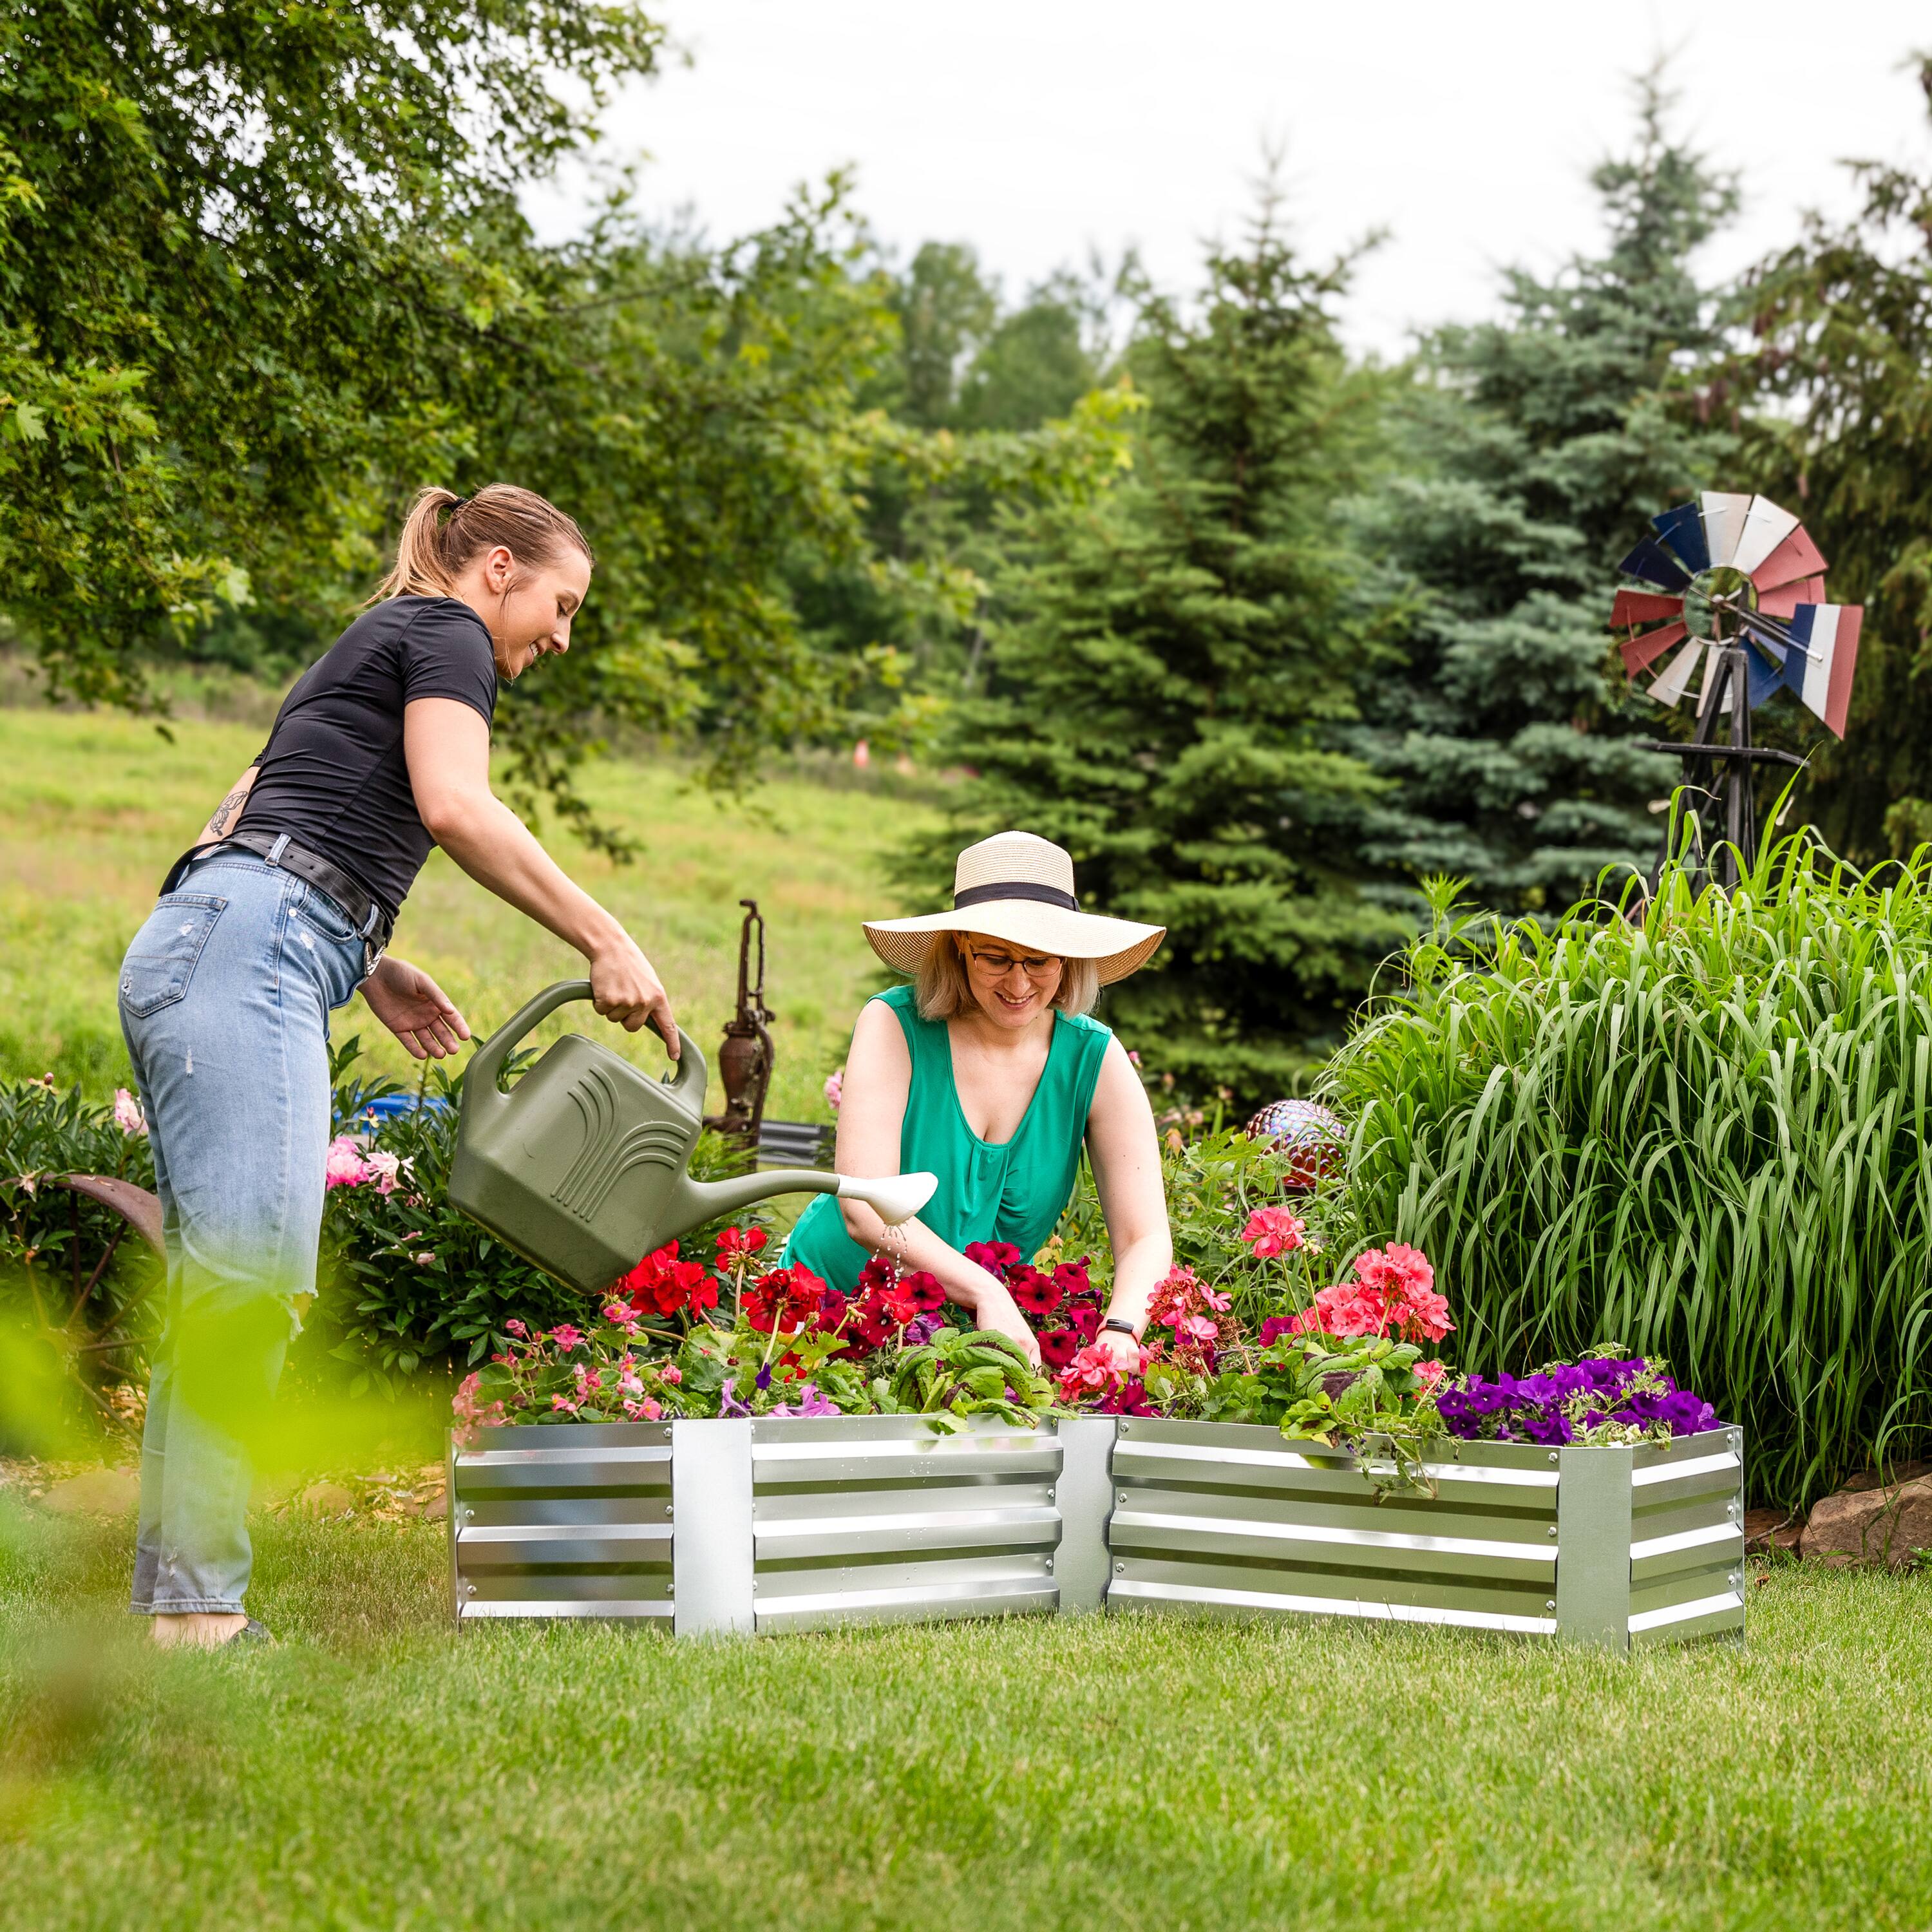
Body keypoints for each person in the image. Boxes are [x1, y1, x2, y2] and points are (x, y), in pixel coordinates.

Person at [118, 484, 680, 1649]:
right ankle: (199, 1619)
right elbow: (456, 805)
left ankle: (181, 1610)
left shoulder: (376, 638)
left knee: (221, 1286)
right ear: (495, 569)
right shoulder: (450, 633)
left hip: (213, 938)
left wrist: (371, 955)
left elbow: (256, 813)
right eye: (561, 604)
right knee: (250, 1286)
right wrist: (605, 937)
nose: (561, 637)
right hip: (248, 953)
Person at [784, 831, 1171, 1367]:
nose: (1019, 983)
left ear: (1068, 959)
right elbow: (865, 1209)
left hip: (974, 1340)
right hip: (831, 1321)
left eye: (1039, 961)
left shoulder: (1094, 1058)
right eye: (996, 958)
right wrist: (988, 1291)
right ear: (960, 945)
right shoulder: (894, 1025)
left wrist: (1122, 1330)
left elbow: (1144, 1234)